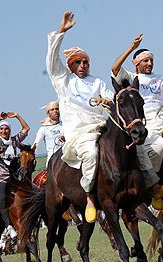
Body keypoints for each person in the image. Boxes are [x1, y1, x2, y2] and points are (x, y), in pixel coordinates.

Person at [46, 11, 115, 223]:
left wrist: (108, 102)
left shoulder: (97, 82)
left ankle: (151, 186)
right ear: (70, 66)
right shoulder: (63, 80)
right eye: (78, 63)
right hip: (80, 134)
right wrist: (61, 32)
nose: (83, 66)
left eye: (85, 62)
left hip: (102, 127)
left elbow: (111, 99)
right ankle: (89, 197)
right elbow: (51, 59)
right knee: (92, 154)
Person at [110, 33, 163, 212]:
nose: (149, 64)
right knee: (157, 147)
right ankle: (154, 187)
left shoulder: (162, 80)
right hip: (145, 125)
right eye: (145, 61)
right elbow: (115, 68)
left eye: (151, 61)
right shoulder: (132, 78)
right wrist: (131, 48)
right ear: (136, 63)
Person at [0, 111, 30, 231]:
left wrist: (17, 116)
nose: (3, 131)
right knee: (1, 199)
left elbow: (26, 128)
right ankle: (8, 226)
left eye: (6, 129)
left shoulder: (14, 141)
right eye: (1, 129)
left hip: (13, 176)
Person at [32, 101, 65, 166]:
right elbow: (36, 144)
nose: (55, 111)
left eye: (57, 109)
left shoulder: (65, 125)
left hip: (67, 158)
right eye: (52, 110)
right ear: (48, 113)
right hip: (52, 162)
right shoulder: (43, 128)